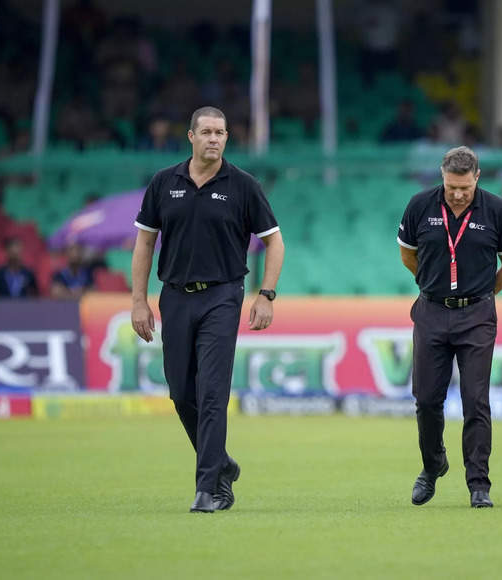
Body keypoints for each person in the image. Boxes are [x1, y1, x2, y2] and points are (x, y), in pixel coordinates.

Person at [130, 106, 285, 513]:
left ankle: (208, 489)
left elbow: (274, 241)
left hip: (222, 296)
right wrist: (138, 300)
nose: (214, 138)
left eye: (221, 132)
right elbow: (144, 243)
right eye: (207, 132)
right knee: (181, 393)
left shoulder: (243, 186)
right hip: (174, 297)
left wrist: (265, 294)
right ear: (191, 137)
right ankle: (221, 465)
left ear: (227, 139)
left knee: (212, 392)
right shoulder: (164, 183)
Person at [397, 146, 502, 509]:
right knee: (426, 400)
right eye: (452, 186)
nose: (457, 194)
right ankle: (432, 464)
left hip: (477, 316)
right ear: (442, 175)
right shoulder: (420, 206)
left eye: (464, 188)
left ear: (477, 178)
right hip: (431, 311)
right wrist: (432, 285)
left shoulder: (498, 211)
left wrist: (482, 295)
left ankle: (478, 484)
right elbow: (408, 254)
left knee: (476, 400)